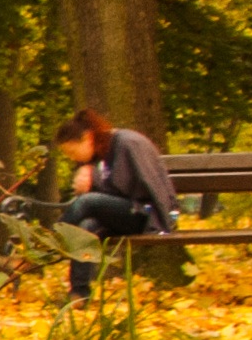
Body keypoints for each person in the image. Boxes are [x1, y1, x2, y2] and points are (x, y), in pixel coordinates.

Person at [51, 108, 177, 298]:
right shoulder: (99, 155)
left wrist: (165, 221)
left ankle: (46, 244)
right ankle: (79, 293)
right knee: (85, 228)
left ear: (87, 138)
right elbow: (110, 191)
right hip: (124, 214)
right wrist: (91, 177)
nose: (72, 158)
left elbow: (152, 185)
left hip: (146, 214)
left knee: (87, 202)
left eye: (72, 152)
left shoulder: (128, 143)